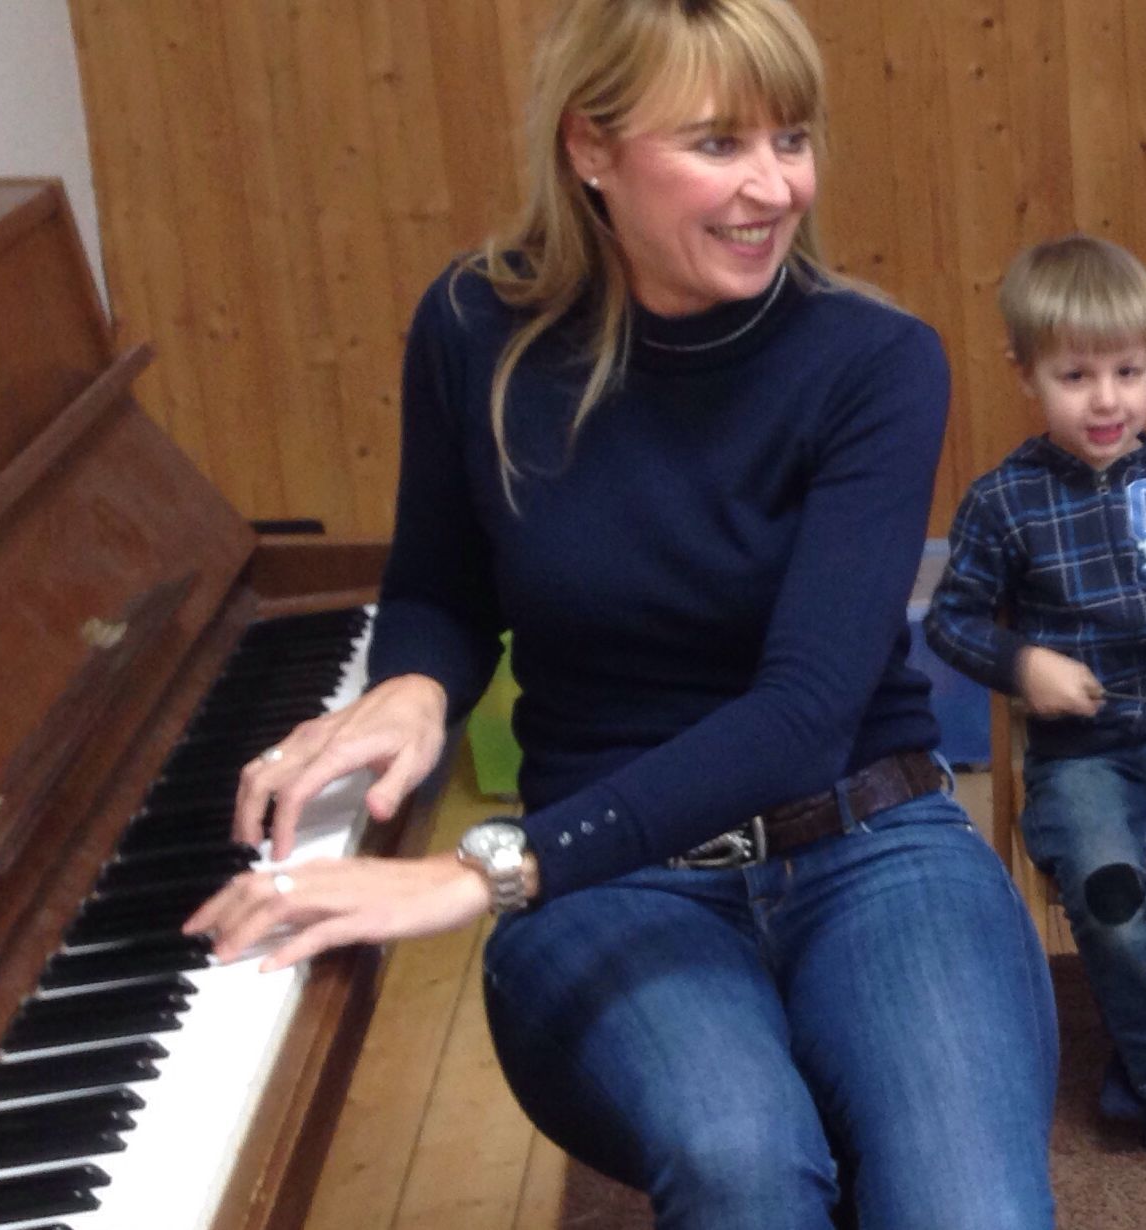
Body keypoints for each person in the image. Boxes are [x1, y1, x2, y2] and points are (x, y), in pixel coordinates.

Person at [182, 2, 1057, 1225]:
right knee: (743, 1160)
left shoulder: (876, 361)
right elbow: (440, 581)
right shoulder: (471, 326)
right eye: (716, 144)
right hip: (615, 881)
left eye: (790, 138)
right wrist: (416, 683)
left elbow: (805, 715)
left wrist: (479, 872)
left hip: (869, 840)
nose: (773, 186)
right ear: (591, 148)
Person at [922, 233, 1146, 1162]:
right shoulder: (1004, 502)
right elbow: (950, 622)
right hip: (1082, 750)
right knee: (1108, 888)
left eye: (1126, 371)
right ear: (1025, 373)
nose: (1106, 398)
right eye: (1076, 375)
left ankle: (1145, 1057)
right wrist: (1022, 665)